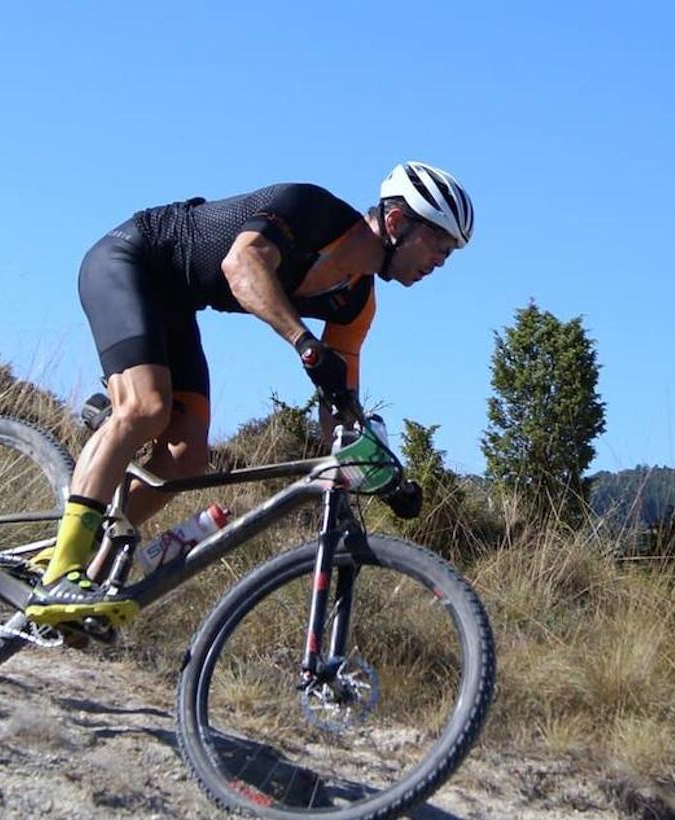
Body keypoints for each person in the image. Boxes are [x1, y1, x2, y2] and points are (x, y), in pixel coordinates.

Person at [25, 161, 474, 623]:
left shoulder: (355, 305)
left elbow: (339, 409)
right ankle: (62, 570)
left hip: (177, 304)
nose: (440, 260)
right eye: (438, 243)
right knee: (145, 407)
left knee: (185, 459)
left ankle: (79, 562)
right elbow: (241, 265)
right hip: (132, 260)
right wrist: (305, 344)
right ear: (397, 222)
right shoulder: (312, 210)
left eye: (449, 253)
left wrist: (380, 473)